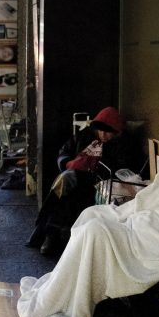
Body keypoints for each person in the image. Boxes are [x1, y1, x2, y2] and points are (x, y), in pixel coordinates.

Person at [26, 106, 141, 255]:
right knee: (64, 183)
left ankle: (47, 233)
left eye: (108, 132)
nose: (103, 135)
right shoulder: (85, 136)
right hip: (77, 177)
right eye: (100, 131)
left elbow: (120, 169)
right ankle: (50, 232)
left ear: (117, 132)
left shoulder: (123, 145)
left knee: (65, 182)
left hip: (99, 181)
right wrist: (67, 163)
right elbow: (64, 151)